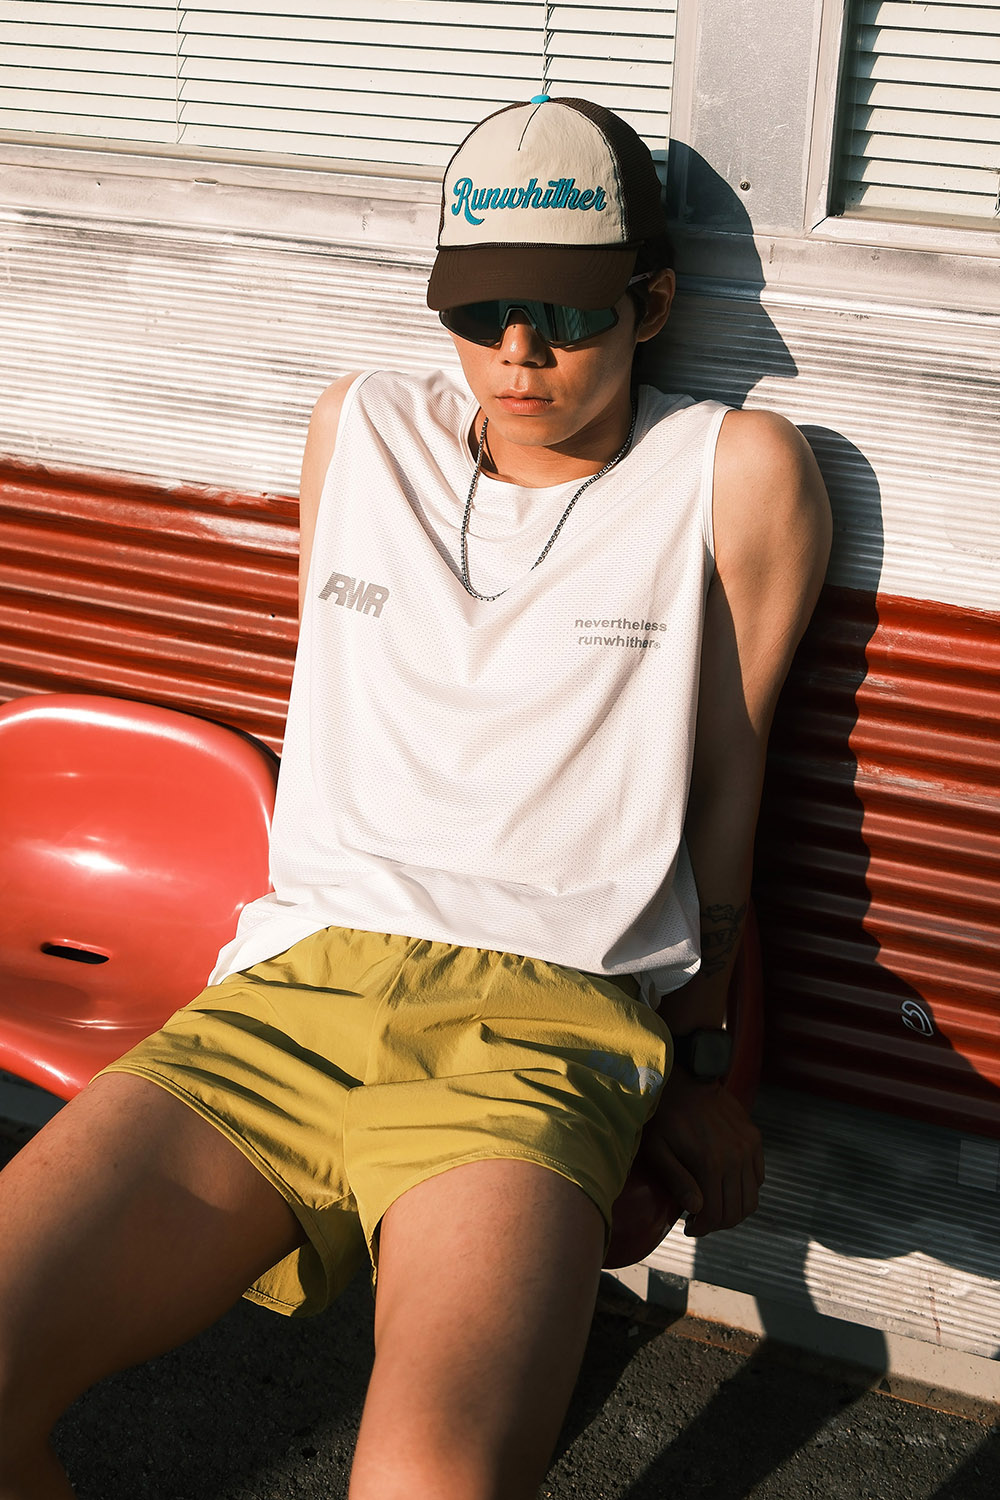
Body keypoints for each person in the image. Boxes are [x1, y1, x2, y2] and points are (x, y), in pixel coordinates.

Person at [0, 97, 831, 1499]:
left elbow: (728, 784)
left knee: (431, 1479)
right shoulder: (362, 426)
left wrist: (696, 1057)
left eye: (567, 312)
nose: (519, 351)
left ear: (651, 302)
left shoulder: (732, 470)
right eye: (482, 308)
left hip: (542, 1024)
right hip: (291, 986)